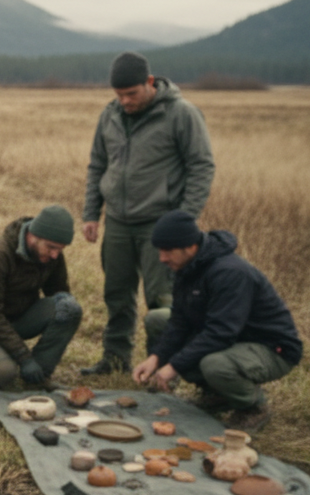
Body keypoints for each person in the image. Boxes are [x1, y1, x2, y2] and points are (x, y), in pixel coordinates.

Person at [80, 52, 215, 375]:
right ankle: (115, 360)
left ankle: (161, 367)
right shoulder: (109, 115)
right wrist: (90, 213)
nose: (125, 101)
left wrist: (183, 221)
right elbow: (98, 164)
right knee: (116, 295)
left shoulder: (181, 114)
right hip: (117, 223)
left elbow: (201, 166)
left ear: (150, 83)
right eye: (119, 95)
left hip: (160, 226)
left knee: (163, 300)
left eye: (132, 94)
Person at [133, 211, 302, 432]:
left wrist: (173, 367)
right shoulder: (186, 267)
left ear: (191, 246)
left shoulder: (230, 272)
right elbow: (179, 321)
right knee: (158, 319)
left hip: (271, 348)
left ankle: (253, 406)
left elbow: (220, 333)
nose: (162, 258)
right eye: (160, 250)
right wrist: (157, 358)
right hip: (233, 339)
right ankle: (217, 395)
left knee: (215, 365)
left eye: (168, 251)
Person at [0, 206, 83, 389]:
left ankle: (39, 377)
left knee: (68, 308)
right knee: (4, 374)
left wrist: (59, 326)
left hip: (18, 319)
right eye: (51, 248)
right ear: (32, 236)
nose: (55, 254)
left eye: (60, 250)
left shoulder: (52, 256)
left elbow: (59, 294)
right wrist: (23, 357)